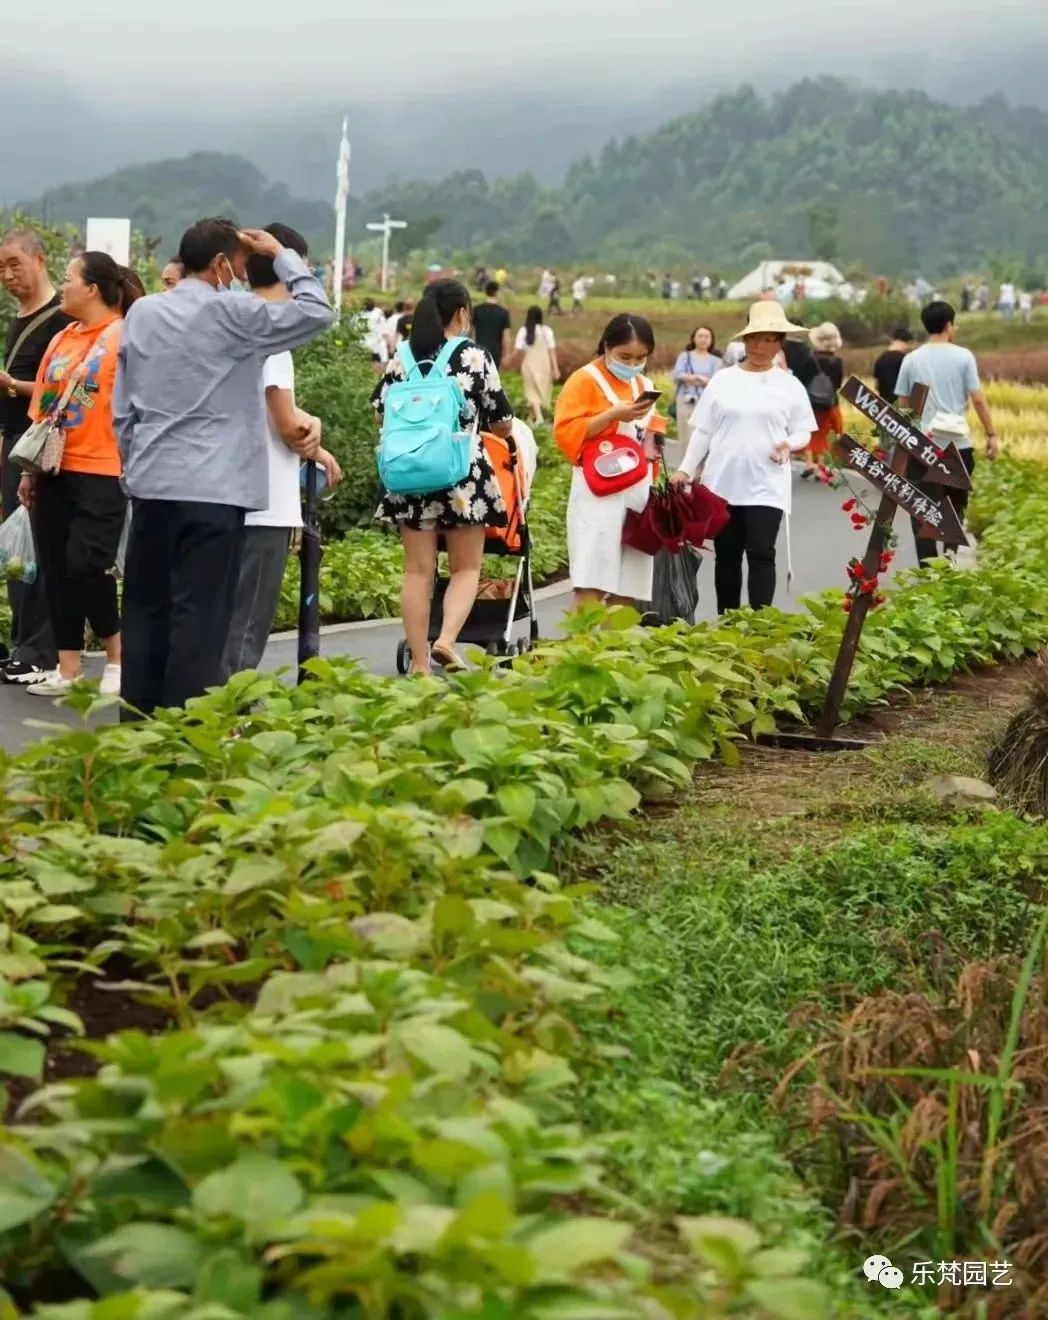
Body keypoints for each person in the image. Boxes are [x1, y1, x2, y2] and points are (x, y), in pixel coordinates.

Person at [113, 217, 333, 719]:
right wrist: (280, 253)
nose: (238, 273)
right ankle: (184, 730)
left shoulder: (143, 313)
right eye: (235, 264)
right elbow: (317, 313)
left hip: (152, 485)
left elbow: (123, 406)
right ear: (218, 265)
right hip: (216, 492)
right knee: (201, 617)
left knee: (146, 610)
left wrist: (133, 464)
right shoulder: (235, 311)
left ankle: (137, 725)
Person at [373, 278, 514, 675]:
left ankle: (419, 663)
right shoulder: (472, 356)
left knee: (417, 570)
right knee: (465, 568)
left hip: (407, 476)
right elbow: (502, 422)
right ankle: (447, 640)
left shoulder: (400, 357)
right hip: (460, 476)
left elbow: (381, 414)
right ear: (461, 313)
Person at [222, 223, 343, 679]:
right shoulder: (271, 335)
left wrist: (313, 439)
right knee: (247, 623)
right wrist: (311, 428)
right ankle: (225, 724)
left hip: (222, 496)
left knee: (219, 618)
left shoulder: (228, 321)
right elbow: (288, 426)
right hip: (265, 504)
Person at [16, 253, 140, 696]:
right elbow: (43, 408)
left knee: (86, 563)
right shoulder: (63, 337)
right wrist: (29, 472)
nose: (62, 286)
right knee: (55, 566)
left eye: (68, 279)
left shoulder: (124, 334)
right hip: (53, 466)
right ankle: (67, 670)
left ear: (93, 288)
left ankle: (117, 659)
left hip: (102, 469)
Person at [671, 302, 816, 613]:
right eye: (754, 338)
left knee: (762, 552)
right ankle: (728, 622)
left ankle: (759, 626)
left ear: (779, 343)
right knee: (727, 555)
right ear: (744, 339)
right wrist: (685, 469)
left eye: (768, 339)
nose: (759, 346)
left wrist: (788, 444)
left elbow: (805, 431)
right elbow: (704, 431)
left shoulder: (789, 385)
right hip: (722, 483)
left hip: (767, 483)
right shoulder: (723, 380)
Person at [554, 313, 667, 609]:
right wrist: (611, 415)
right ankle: (582, 651)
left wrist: (654, 440)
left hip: (637, 491)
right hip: (598, 494)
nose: (632, 364)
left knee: (629, 581)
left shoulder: (644, 384)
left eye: (640, 358)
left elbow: (649, 436)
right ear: (606, 347)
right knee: (592, 578)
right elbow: (566, 433)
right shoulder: (584, 380)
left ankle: (615, 651)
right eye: (624, 356)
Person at [0, 229, 72, 685]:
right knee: (17, 554)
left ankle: (43, 649)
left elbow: (64, 390)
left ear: (40, 260)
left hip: (42, 450)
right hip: (14, 446)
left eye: (14, 264)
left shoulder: (59, 319)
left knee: (44, 551)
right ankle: (24, 643)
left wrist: (10, 385)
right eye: (1, 268)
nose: (7, 275)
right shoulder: (17, 319)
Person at [894, 299, 998, 565]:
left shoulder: (911, 359)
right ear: (949, 325)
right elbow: (977, 399)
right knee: (954, 505)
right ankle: (950, 557)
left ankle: (928, 570)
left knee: (922, 508)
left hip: (922, 446)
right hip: (957, 445)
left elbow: (903, 404)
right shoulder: (963, 356)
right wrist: (991, 434)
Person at [669, 326, 721, 469]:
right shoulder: (685, 356)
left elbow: (716, 381)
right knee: (686, 435)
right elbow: (677, 374)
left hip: (706, 402)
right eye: (700, 336)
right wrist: (698, 378)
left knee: (704, 435)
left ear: (711, 340)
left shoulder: (716, 360)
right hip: (686, 401)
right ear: (694, 338)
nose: (703, 339)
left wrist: (697, 379)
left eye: (707, 336)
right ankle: (685, 469)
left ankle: (701, 471)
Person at [801, 322, 844, 478]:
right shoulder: (837, 362)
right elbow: (838, 384)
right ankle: (821, 466)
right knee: (825, 433)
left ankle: (808, 462)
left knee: (809, 431)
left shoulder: (810, 359)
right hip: (829, 403)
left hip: (809, 402)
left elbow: (802, 381)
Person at [515, 305, 559, 426]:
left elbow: (518, 350)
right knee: (539, 391)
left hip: (529, 363)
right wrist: (555, 368)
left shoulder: (523, 331)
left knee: (531, 390)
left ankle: (536, 417)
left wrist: (514, 361)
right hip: (544, 365)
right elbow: (551, 351)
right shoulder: (547, 331)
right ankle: (534, 417)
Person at [472, 281, 512, 369]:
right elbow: (506, 337)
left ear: (486, 292)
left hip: (478, 350)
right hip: (495, 353)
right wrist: (507, 355)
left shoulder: (477, 310)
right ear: (497, 293)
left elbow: (472, 333)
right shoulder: (503, 312)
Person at [872, 327, 914, 403]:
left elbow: (876, 387)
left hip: (885, 408)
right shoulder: (907, 360)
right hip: (903, 408)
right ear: (908, 342)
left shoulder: (880, 359)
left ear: (892, 340)